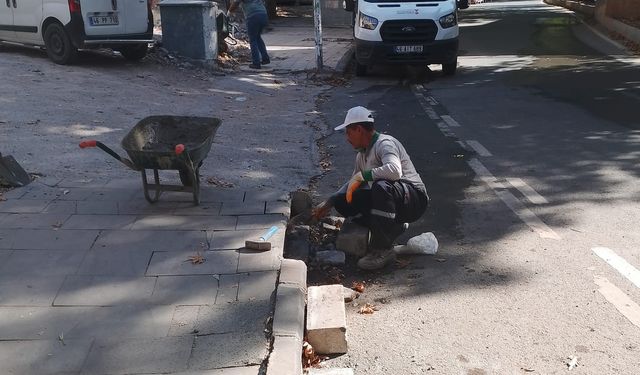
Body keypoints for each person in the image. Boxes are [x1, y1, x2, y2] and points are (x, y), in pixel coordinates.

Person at [313, 106, 429, 270]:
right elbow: (353, 182)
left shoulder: (385, 144)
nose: (347, 138)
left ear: (359, 129)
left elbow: (394, 171)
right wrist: (330, 201)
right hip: (392, 199)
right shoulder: (362, 155)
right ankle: (393, 226)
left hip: (414, 198)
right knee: (343, 200)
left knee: (381, 187)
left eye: (348, 132)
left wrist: (364, 176)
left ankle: (382, 249)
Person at [228, 0, 270, 69]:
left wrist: (228, 13)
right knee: (257, 37)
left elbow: (235, 3)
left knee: (253, 39)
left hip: (253, 16)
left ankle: (256, 63)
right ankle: (265, 58)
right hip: (263, 15)